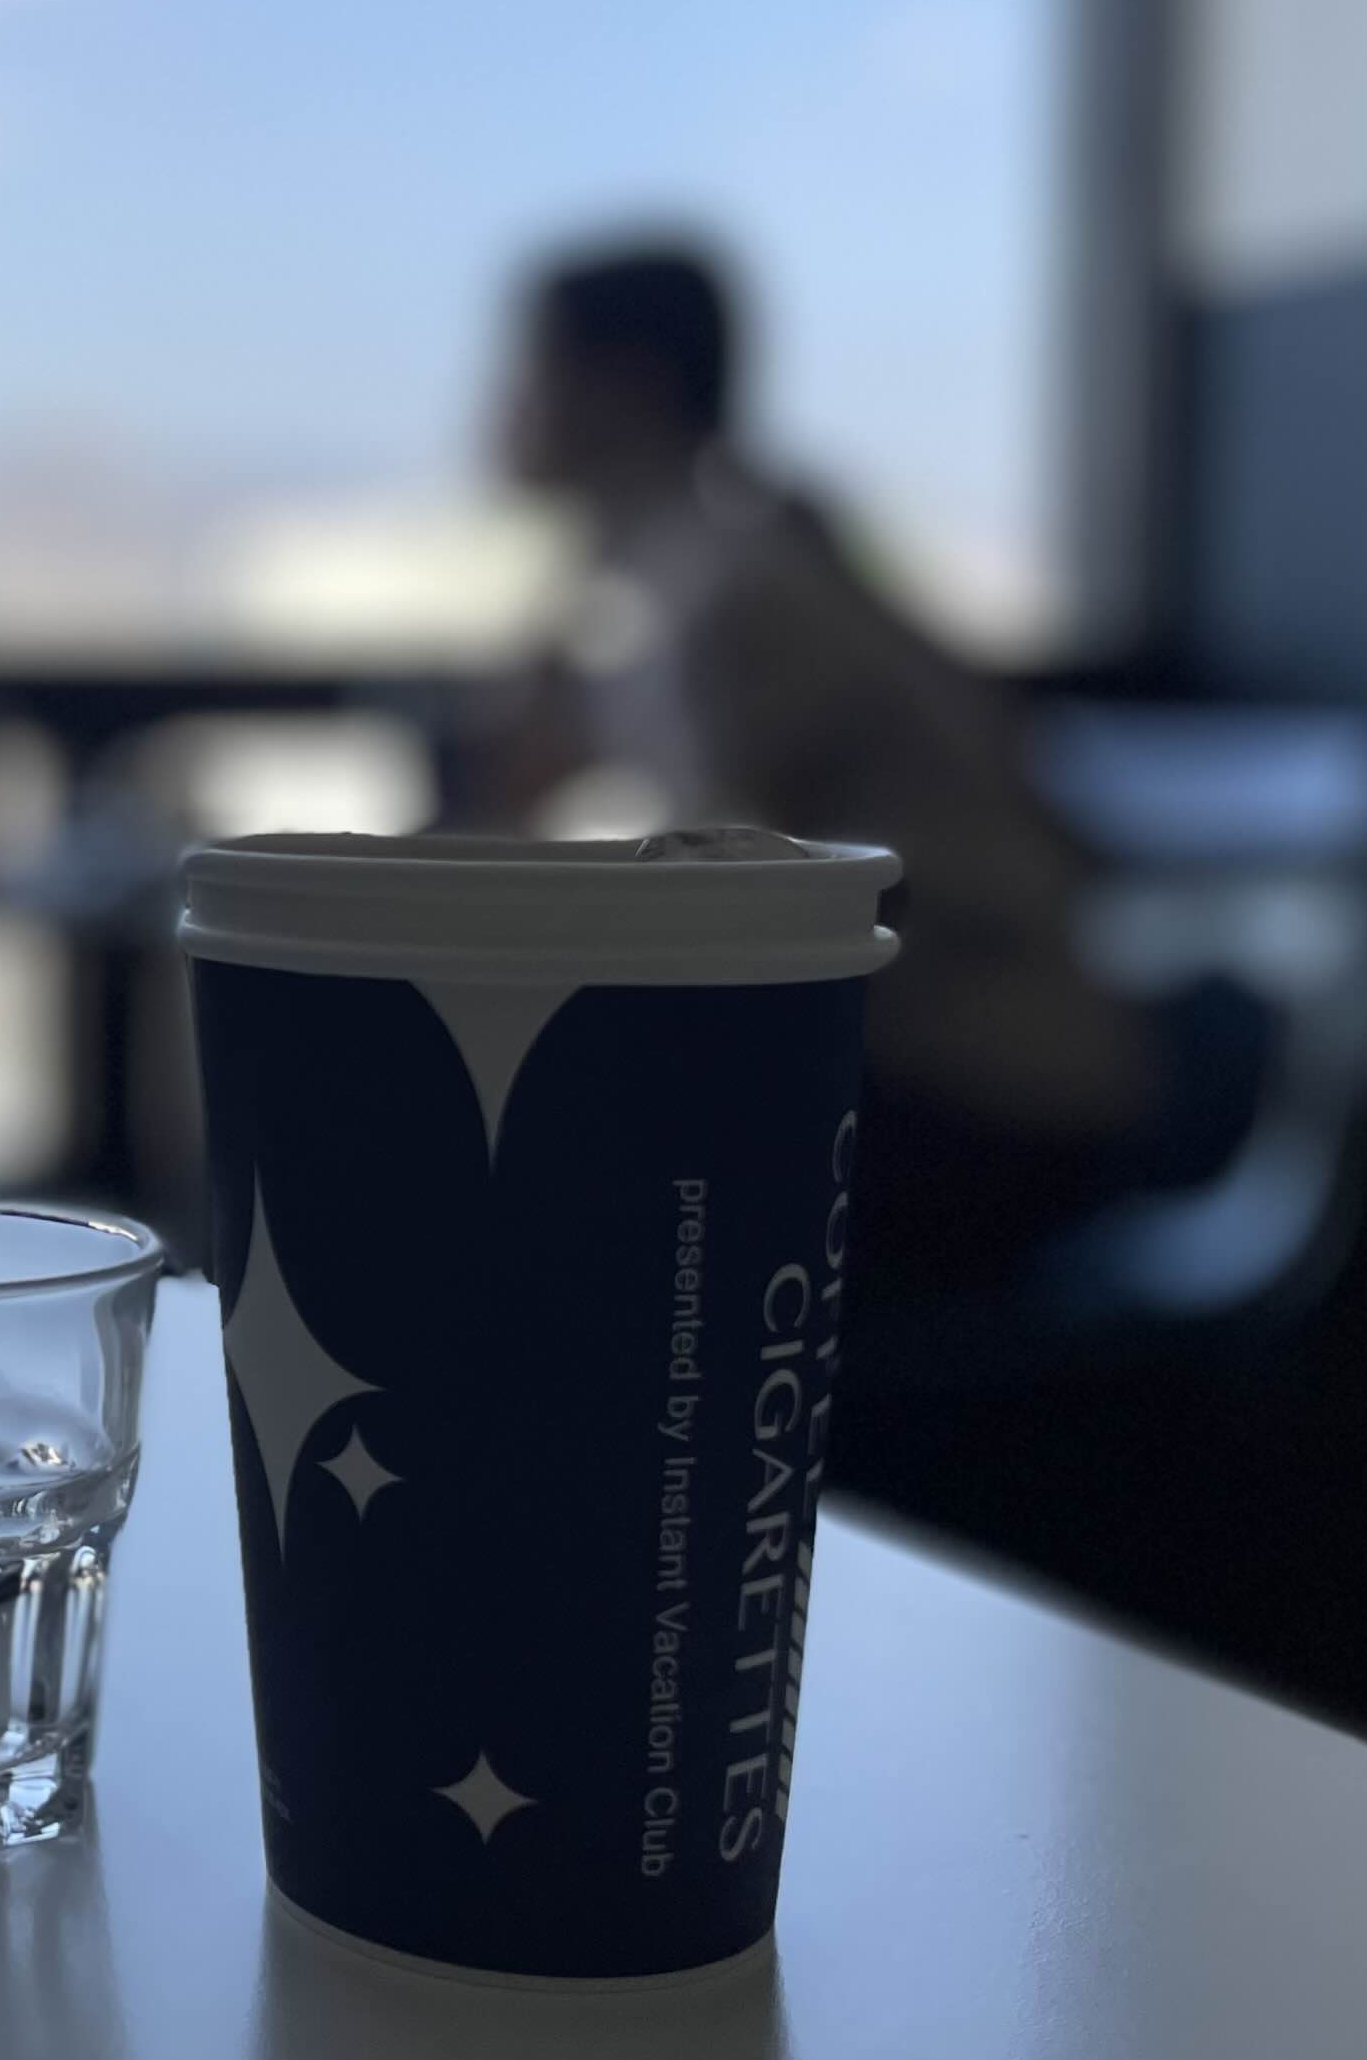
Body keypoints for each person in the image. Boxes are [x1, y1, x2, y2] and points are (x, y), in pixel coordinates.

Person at [461, 231, 1236, 1295]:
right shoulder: (730, 555)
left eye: (526, 360)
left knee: (531, 1168)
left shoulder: (720, 602)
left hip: (993, 1098)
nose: (496, 398)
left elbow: (721, 906)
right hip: (1007, 1068)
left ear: (621, 384)